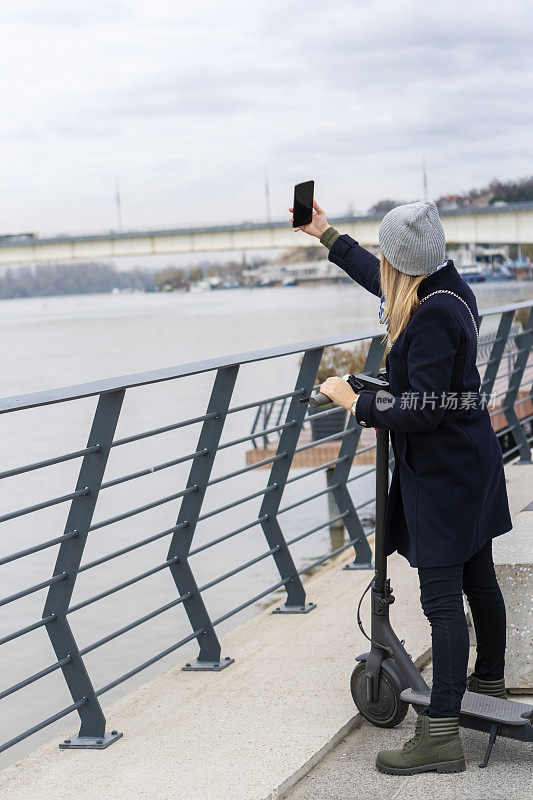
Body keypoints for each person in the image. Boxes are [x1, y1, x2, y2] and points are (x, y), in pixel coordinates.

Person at [290, 198, 512, 775]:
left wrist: (356, 401)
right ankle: (489, 685)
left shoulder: (434, 314)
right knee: (480, 582)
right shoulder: (447, 286)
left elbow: (421, 410)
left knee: (443, 603)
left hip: (445, 478)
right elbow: (379, 276)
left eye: (389, 258)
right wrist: (325, 234)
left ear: (406, 264)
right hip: (470, 463)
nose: (382, 269)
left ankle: (441, 737)